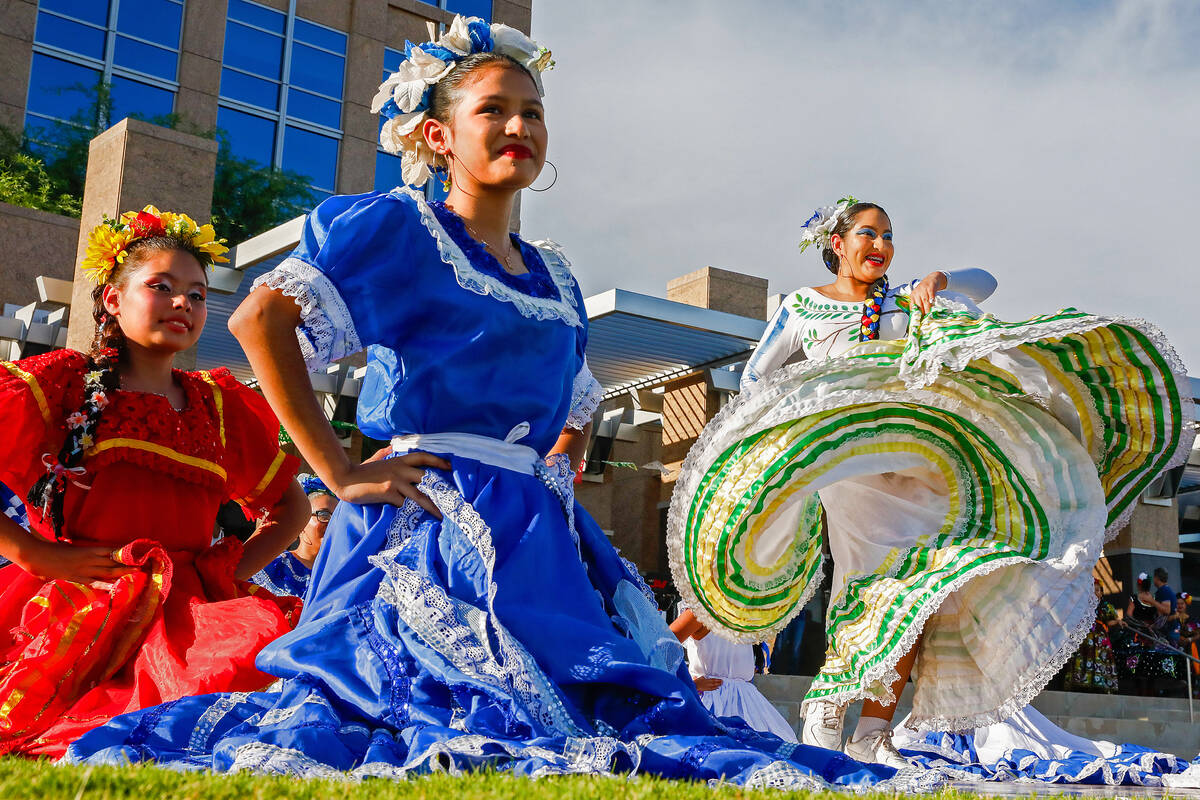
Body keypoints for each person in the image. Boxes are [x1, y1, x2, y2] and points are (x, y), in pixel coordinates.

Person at [65, 19, 891, 789]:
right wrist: (342, 471)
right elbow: (259, 320)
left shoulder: (557, 276)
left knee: (605, 714)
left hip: (538, 531)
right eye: (492, 109)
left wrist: (553, 490)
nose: (518, 127)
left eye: (533, 112)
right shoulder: (396, 229)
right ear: (439, 136)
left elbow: (575, 405)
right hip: (426, 522)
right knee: (432, 707)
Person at [668, 196, 1194, 769]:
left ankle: (872, 732)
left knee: (920, 593)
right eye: (868, 233)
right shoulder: (802, 307)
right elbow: (756, 378)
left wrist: (938, 281)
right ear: (836, 244)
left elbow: (985, 281)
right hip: (851, 471)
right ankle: (825, 708)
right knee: (866, 588)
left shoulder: (904, 299)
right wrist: (792, 430)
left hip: (920, 466)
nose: (881, 245)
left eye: (888, 235)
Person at [0, 206, 307, 757]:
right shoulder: (63, 382)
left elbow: (291, 510)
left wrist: (227, 571)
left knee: (261, 656)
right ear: (113, 301)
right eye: (161, 287)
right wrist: (32, 553)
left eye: (197, 294)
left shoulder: (220, 405)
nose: (183, 304)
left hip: (192, 607)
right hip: (85, 593)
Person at [671, 608, 798, 742]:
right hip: (709, 700)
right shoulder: (700, 611)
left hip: (748, 702)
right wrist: (687, 683)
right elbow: (659, 646)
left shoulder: (749, 616)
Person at [249, 473, 337, 598]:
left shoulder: (342, 574)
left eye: (337, 518)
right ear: (300, 521)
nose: (332, 524)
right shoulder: (272, 565)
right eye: (323, 515)